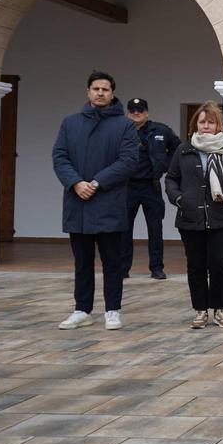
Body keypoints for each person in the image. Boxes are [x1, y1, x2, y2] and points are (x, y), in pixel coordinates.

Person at [53, 71, 139, 331]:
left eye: (105, 89)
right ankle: (82, 310)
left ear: (112, 94)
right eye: (96, 88)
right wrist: (76, 183)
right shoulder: (70, 123)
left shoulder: (124, 125)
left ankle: (112, 310)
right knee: (82, 263)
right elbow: (60, 157)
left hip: (108, 202)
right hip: (77, 202)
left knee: (112, 262)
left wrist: (96, 182)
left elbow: (128, 161)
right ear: (88, 91)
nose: (100, 93)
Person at [165, 101, 223, 329]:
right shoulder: (184, 149)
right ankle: (200, 310)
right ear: (196, 123)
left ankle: (220, 309)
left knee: (219, 264)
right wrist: (179, 199)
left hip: (221, 216)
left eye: (211, 122)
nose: (206, 126)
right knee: (196, 266)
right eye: (202, 122)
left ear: (218, 125)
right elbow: (171, 178)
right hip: (190, 217)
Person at [120, 97, 180, 280]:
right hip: (128, 186)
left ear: (147, 113)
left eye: (140, 110)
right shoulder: (121, 131)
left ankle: (157, 268)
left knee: (155, 229)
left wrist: (165, 165)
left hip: (151, 186)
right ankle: (123, 268)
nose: (136, 113)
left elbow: (177, 149)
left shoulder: (160, 130)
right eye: (132, 110)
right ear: (128, 113)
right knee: (124, 229)